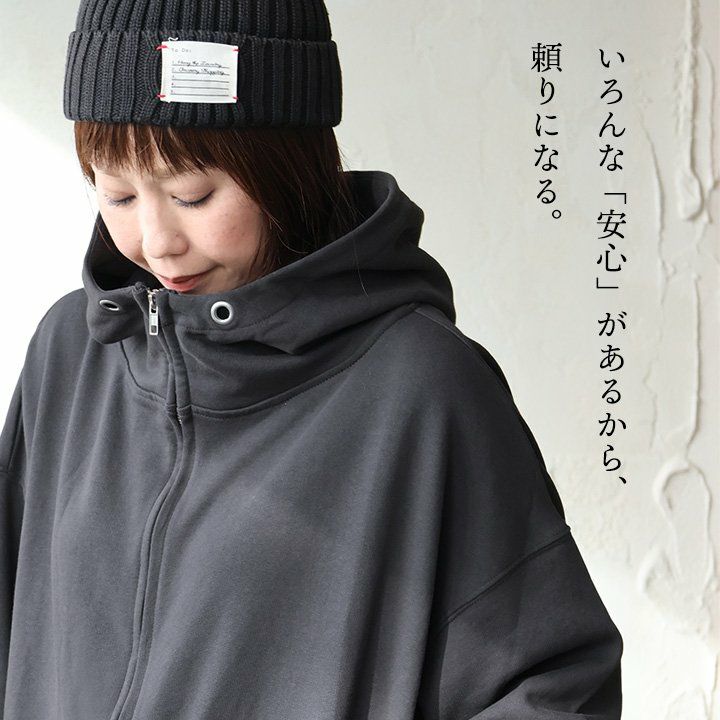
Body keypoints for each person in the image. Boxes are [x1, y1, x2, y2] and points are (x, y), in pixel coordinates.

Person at [0, 0, 624, 718]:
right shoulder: (73, 352)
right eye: (116, 193)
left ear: (286, 165)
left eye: (191, 194)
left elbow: (556, 683)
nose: (156, 239)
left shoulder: (418, 388)